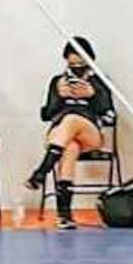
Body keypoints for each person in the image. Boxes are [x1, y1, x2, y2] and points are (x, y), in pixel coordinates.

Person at [24, 37, 113, 230]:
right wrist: (59, 97)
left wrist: (93, 95)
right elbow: (46, 115)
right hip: (61, 135)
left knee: (72, 120)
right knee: (70, 147)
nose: (77, 69)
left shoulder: (99, 81)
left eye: (81, 64)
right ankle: (64, 215)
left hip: (90, 134)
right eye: (72, 64)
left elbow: (110, 115)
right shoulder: (58, 82)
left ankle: (42, 171)